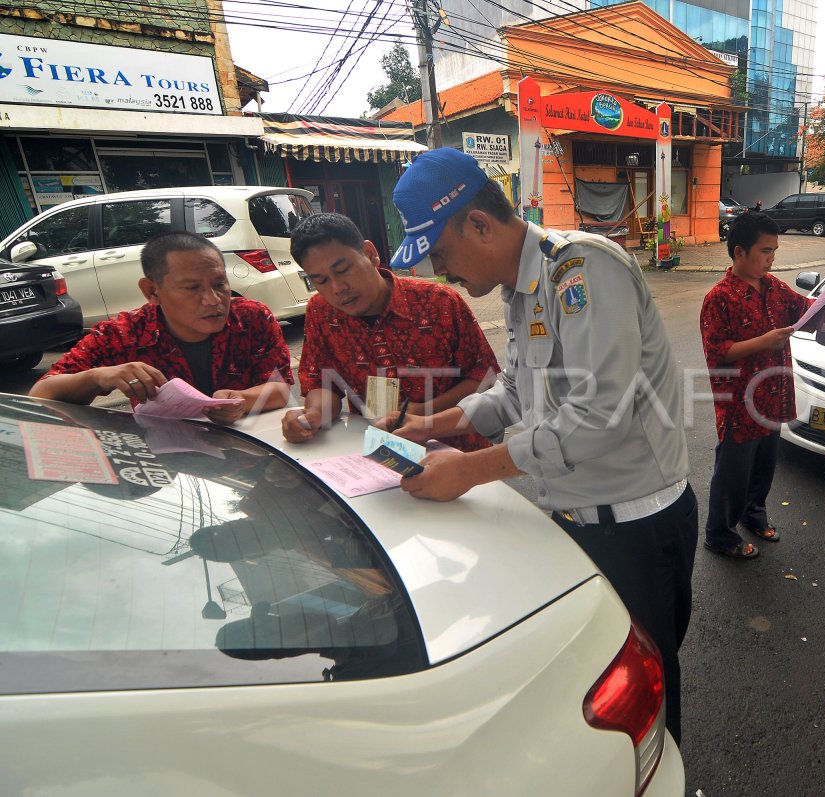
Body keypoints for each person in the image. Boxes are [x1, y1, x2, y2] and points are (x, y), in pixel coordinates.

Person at [384, 148, 696, 743]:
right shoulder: (517, 284)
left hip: (636, 528)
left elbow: (597, 417)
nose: (439, 270)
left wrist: (470, 470)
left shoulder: (582, 270)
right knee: (594, 687)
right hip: (575, 520)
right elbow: (515, 391)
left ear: (479, 224)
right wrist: (434, 425)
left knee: (646, 692)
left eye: (441, 253)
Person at [700, 212, 825, 562]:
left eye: (774, 250)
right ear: (740, 252)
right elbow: (717, 353)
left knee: (764, 465)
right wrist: (764, 341)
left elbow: (806, 312)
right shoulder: (719, 298)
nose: (772, 258)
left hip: (773, 396)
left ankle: (754, 515)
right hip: (739, 402)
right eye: (765, 251)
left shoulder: (774, 288)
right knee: (732, 472)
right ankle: (719, 533)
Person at [280, 213, 498, 451]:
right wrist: (312, 415)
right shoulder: (321, 312)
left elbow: (483, 378)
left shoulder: (439, 302)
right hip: (378, 449)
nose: (337, 288)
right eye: (320, 281)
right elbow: (323, 383)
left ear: (370, 254)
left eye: (342, 270)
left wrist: (424, 412)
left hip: (457, 450)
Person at [31, 231, 292, 423]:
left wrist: (241, 401)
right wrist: (98, 376)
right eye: (192, 288)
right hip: (169, 463)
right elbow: (41, 394)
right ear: (152, 291)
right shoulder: (122, 333)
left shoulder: (251, 317)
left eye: (219, 284)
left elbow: (279, 389)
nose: (213, 300)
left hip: (247, 450)